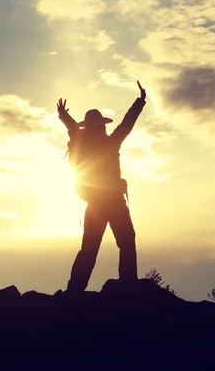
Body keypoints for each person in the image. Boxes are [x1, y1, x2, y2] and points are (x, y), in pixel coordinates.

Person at [57, 81, 146, 292]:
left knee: (89, 249)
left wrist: (63, 115)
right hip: (114, 202)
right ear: (101, 126)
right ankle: (128, 285)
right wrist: (140, 102)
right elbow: (126, 124)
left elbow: (71, 128)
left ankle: (75, 290)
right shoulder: (110, 142)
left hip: (95, 204)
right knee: (126, 242)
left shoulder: (81, 142)